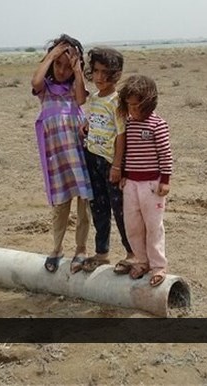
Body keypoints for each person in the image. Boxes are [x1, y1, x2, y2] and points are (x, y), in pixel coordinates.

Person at [31, 34, 93, 274]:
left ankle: (81, 249)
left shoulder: (74, 89)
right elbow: (36, 80)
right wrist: (51, 56)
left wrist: (77, 71)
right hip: (57, 158)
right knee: (61, 205)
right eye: (58, 64)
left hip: (79, 154)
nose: (62, 71)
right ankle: (56, 249)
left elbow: (80, 98)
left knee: (84, 204)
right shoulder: (45, 89)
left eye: (68, 67)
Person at [80, 47, 135, 273]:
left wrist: (117, 165)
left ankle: (132, 253)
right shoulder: (93, 98)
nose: (99, 77)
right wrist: (87, 126)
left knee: (119, 209)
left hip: (109, 163)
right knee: (99, 208)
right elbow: (94, 120)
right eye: (95, 71)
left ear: (117, 74)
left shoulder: (117, 102)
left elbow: (121, 135)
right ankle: (102, 253)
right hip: (91, 158)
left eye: (105, 72)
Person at [117, 75, 173, 287]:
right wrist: (122, 174)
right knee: (133, 225)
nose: (132, 110)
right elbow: (124, 151)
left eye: (136, 105)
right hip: (130, 184)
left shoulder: (157, 125)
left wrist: (165, 179)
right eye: (129, 105)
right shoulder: (128, 124)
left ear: (148, 103)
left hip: (152, 185)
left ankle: (158, 266)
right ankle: (141, 261)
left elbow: (165, 154)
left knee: (153, 226)